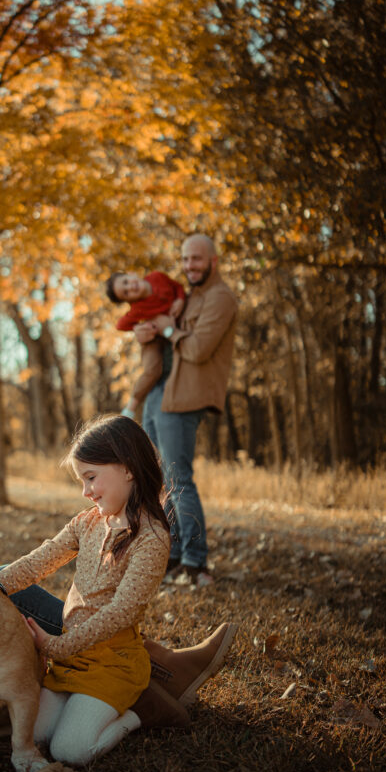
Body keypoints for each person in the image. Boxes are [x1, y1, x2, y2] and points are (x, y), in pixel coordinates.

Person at [0, 414, 237, 767]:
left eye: (91, 477)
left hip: (113, 664)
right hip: (72, 660)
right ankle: (90, 706)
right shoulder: (88, 522)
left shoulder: (152, 539)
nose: (85, 491)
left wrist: (55, 646)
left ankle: (138, 713)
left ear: (127, 468)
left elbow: (120, 612)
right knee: (31, 732)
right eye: (82, 480)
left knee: (70, 752)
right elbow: (40, 560)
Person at [135, 233, 238, 587]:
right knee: (160, 480)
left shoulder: (220, 298)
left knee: (179, 479)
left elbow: (196, 350)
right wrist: (150, 331)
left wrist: (167, 328)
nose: (189, 265)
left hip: (184, 396)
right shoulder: (187, 296)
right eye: (184, 259)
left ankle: (196, 563)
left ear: (213, 261)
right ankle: (173, 557)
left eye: (196, 259)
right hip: (159, 392)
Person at [106, 269, 185, 420]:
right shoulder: (138, 309)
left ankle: (169, 332)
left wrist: (180, 300)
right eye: (126, 293)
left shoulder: (157, 277)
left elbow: (177, 286)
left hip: (173, 325)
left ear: (132, 274)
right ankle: (131, 407)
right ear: (128, 301)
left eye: (126, 282)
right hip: (154, 338)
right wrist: (137, 327)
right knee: (152, 369)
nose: (131, 287)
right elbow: (120, 325)